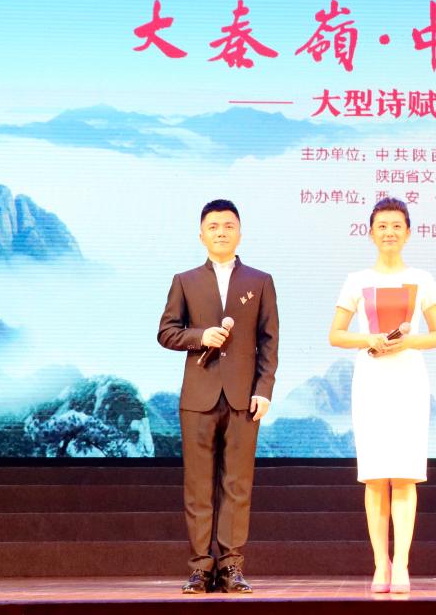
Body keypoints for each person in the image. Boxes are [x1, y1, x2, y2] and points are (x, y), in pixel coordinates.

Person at [157, 199, 279, 594]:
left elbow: (269, 341)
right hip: (198, 396)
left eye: (228, 226)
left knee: (237, 484)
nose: (221, 232)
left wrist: (264, 389)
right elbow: (166, 332)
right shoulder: (185, 280)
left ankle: (231, 567)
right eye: (213, 226)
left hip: (244, 397)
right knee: (198, 486)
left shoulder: (260, 281)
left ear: (240, 233)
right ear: (201, 235)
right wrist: (200, 336)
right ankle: (200, 568)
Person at [329, 197, 436, 594]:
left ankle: (403, 564)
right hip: (372, 379)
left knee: (406, 474)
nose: (389, 232)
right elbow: (336, 334)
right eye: (382, 226)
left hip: (409, 379)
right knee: (376, 476)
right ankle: (381, 563)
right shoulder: (356, 280)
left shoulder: (423, 279)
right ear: (371, 233)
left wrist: (407, 341)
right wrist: (370, 339)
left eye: (397, 226)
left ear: (408, 232)